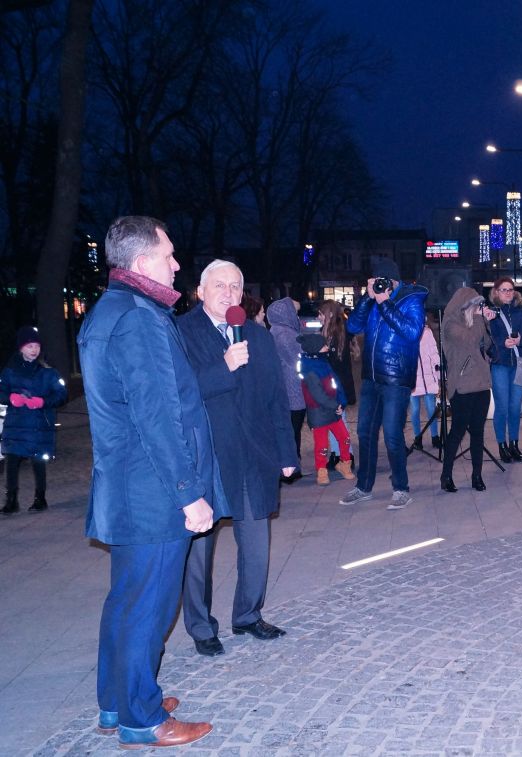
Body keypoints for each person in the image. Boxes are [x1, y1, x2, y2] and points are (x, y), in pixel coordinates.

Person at [78, 215, 221, 748]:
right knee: (150, 607)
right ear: (141, 263)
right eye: (169, 255)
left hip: (129, 488)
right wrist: (190, 493)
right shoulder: (139, 318)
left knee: (125, 601)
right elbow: (158, 416)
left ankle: (117, 702)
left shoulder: (111, 309)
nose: (177, 264)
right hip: (154, 492)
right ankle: (142, 717)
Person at [177, 259, 298, 659]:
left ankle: (248, 614)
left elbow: (276, 398)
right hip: (208, 456)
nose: (228, 293)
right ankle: (201, 626)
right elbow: (179, 393)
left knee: (256, 541)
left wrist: (285, 451)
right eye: (219, 286)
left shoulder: (256, 335)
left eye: (235, 286)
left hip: (253, 454)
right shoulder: (181, 332)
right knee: (199, 550)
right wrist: (224, 366)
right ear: (200, 291)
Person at [340, 258, 428, 509]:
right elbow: (352, 325)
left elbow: (412, 333)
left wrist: (385, 302)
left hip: (396, 379)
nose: (380, 284)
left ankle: (401, 489)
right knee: (365, 433)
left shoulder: (412, 300)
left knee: (392, 435)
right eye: (376, 280)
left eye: (384, 280)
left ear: (394, 281)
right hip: (370, 377)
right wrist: (367, 298)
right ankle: (363, 486)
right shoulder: (372, 300)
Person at [1, 326, 67, 514]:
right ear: (21, 348)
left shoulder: (48, 371)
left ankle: (40, 498)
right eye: (29, 346)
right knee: (12, 461)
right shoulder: (10, 371)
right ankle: (11, 500)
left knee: (39, 461)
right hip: (16, 424)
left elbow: (61, 394)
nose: (34, 349)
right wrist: (10, 398)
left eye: (36, 346)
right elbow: (1, 391)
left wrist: (42, 402)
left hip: (39, 424)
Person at [439, 287, 494, 492]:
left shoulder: (477, 322)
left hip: (481, 384)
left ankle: (476, 475)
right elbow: (469, 341)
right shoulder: (450, 325)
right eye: (477, 305)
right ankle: (446, 475)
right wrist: (480, 319)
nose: (480, 308)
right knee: (457, 432)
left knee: (478, 432)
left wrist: (486, 322)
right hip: (462, 386)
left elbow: (487, 345)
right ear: (466, 305)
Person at [486, 276, 522, 463]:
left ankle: (514, 444)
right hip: (500, 365)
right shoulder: (491, 313)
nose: (507, 293)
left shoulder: (521, 312)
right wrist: (501, 344)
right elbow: (485, 342)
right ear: (496, 292)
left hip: (519, 365)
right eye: (503, 290)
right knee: (502, 407)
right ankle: (502, 446)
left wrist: (521, 341)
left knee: (515, 407)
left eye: (510, 289)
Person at [297, 333, 354, 486]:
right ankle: (321, 470)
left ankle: (345, 463)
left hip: (333, 410)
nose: (327, 348)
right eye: (324, 346)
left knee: (345, 438)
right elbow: (318, 395)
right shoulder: (309, 370)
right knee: (321, 445)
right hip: (319, 413)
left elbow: (336, 383)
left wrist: (341, 401)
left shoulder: (323, 363)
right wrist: (335, 405)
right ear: (315, 349)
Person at [265, 297, 305, 481]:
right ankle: (291, 468)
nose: (296, 316)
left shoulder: (276, 331)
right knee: (292, 429)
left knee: (291, 428)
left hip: (287, 389)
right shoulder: (285, 334)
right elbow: (297, 359)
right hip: (292, 390)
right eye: (294, 312)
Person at [318, 300, 355, 406]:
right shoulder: (328, 332)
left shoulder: (337, 334)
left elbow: (335, 364)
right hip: (335, 387)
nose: (318, 317)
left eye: (321, 314)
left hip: (338, 388)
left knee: (337, 413)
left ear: (330, 314)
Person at [410, 322, 440, 451]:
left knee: (431, 409)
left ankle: (435, 436)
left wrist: (439, 375)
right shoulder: (406, 331)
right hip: (412, 379)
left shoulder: (427, 333)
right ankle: (418, 437)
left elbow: (434, 353)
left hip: (428, 378)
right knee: (414, 410)